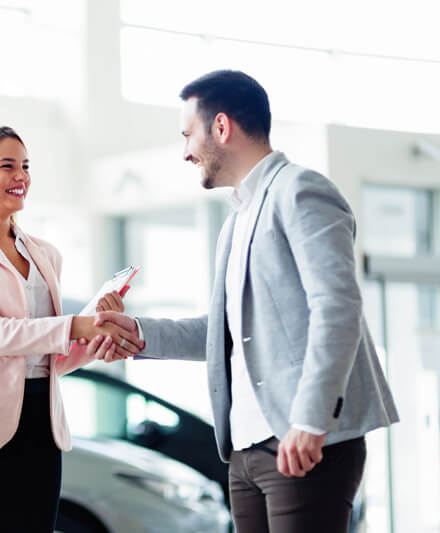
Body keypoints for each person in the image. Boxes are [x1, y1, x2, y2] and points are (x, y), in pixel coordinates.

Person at [90, 70, 399, 533]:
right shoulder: (236, 220)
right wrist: (138, 333)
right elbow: (226, 331)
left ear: (221, 127)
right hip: (246, 451)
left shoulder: (301, 191)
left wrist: (312, 420)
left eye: (188, 134)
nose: (185, 151)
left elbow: (337, 307)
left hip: (301, 441)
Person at [0, 124, 141, 533]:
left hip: (40, 426)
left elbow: (51, 359)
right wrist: (77, 324)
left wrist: (96, 337)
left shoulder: (45, 254)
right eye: (8, 166)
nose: (21, 177)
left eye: (25, 166)